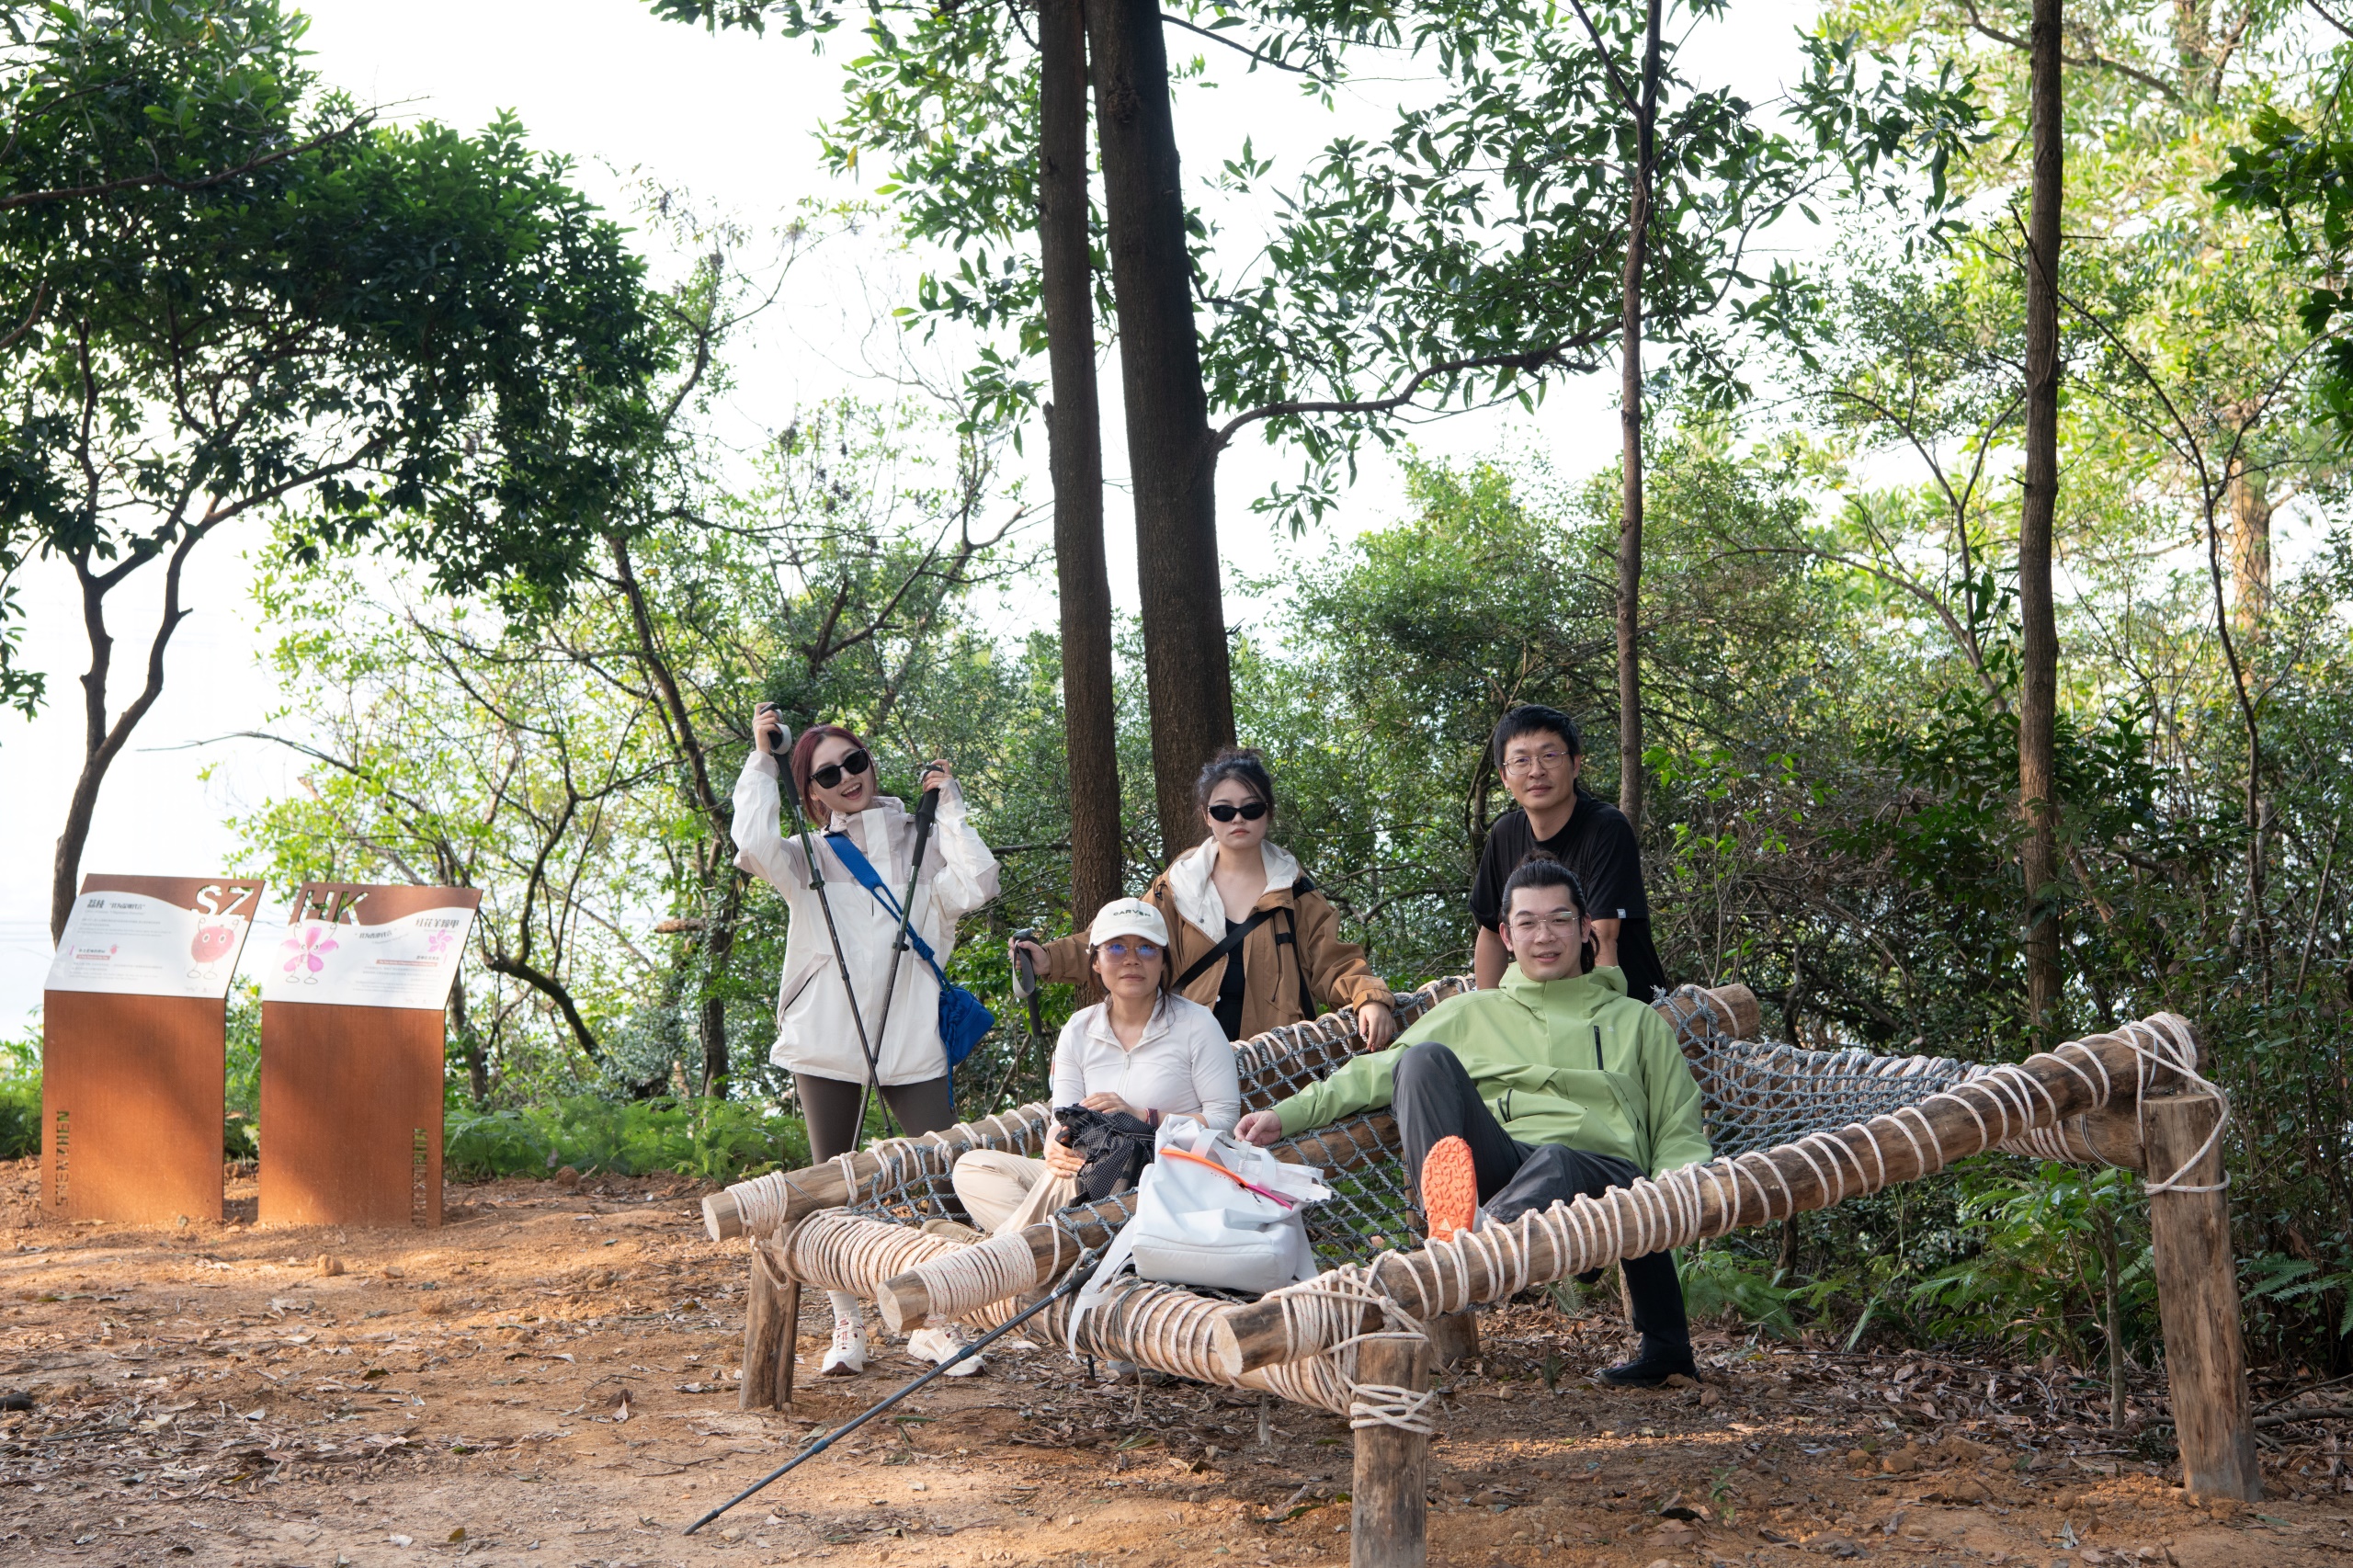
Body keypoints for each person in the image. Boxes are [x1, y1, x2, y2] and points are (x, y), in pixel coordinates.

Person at [1236, 852, 1710, 1387]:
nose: (1544, 936)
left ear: (1584, 930)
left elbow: (1676, 1122)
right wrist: (1285, 1114)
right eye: (1527, 923)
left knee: (1557, 1157)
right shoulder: (1474, 1011)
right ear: (1507, 936)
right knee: (1421, 1060)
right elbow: (1376, 1071)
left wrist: (1677, 1194)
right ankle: (1455, 1226)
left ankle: (1480, 1245)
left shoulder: (1636, 1021)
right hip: (1506, 1166)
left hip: (1609, 1180)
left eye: (1559, 920)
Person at [732, 705, 1000, 1378]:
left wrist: (953, 806)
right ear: (813, 793)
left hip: (911, 1037)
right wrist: (762, 762)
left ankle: (936, 1321)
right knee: (833, 1187)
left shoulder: (924, 839)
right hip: (827, 1038)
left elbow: (978, 884)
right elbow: (753, 847)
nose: (848, 777)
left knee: (941, 1180)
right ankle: (846, 1321)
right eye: (829, 773)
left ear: (871, 763)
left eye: (856, 761)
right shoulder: (807, 857)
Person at [946, 898, 1242, 1373]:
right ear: (1096, 961)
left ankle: (982, 1265)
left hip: (1166, 1180)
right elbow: (1065, 1117)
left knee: (1080, 1172)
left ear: (1164, 961)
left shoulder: (1196, 1024)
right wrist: (1053, 1141)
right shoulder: (1079, 1030)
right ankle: (1053, 1259)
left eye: (1147, 949)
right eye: (1117, 948)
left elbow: (1224, 1120)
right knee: (976, 1167)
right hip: (1085, 1176)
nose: (1131, 959)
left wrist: (1144, 1115)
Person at [1014, 747, 1396, 1046]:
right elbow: (1122, 938)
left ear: (1268, 813)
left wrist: (1369, 996)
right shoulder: (1176, 887)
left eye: (1251, 808)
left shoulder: (1297, 894)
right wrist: (1049, 959)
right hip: (1186, 1059)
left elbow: (1334, 964)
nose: (1238, 819)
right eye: (1223, 810)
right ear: (1206, 816)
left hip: (1275, 1066)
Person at [1470, 705, 1669, 1002]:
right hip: (1546, 1006)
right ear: (1504, 776)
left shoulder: (1606, 827)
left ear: (1575, 764)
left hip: (1628, 1007)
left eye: (1550, 756)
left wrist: (1593, 1028)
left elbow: (1603, 937)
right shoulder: (1504, 834)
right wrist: (1487, 1012)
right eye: (1521, 760)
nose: (1536, 771)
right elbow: (1491, 934)